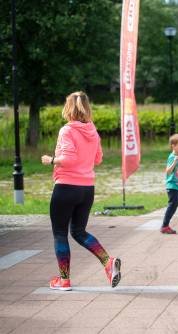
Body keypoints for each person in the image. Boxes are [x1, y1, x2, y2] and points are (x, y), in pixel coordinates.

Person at [41, 91, 121, 291]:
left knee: (60, 233)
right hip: (87, 189)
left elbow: (68, 159)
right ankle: (107, 262)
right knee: (78, 231)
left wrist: (50, 160)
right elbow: (98, 159)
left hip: (66, 186)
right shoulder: (92, 131)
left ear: (68, 107)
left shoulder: (67, 130)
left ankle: (64, 280)